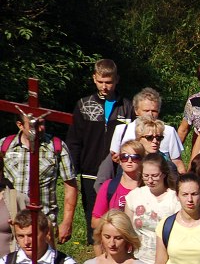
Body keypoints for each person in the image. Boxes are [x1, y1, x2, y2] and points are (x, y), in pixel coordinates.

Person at [68, 59, 135, 244]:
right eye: (101, 82)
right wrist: (73, 168)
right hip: (90, 169)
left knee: (118, 212)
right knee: (94, 213)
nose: (105, 87)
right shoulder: (83, 105)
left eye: (109, 82)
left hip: (119, 170)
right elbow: (74, 140)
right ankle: (95, 250)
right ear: (94, 79)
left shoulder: (127, 107)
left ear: (117, 80)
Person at [1, 113, 77, 244]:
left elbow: (70, 185)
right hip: (12, 223)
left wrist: (67, 222)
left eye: (42, 123)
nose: (41, 128)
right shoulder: (4, 146)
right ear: (20, 125)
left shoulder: (56, 147)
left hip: (44, 223)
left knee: (45, 263)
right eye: (35, 125)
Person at [98, 87, 186, 186]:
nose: (150, 114)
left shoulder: (169, 131)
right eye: (146, 110)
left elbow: (177, 162)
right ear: (136, 111)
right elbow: (114, 161)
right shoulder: (121, 130)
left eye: (154, 111)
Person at [125, 153, 179, 264]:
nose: (150, 180)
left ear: (164, 174)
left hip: (168, 262)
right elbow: (127, 229)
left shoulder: (174, 198)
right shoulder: (134, 196)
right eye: (146, 176)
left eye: (155, 175)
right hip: (139, 260)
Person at [93, 140, 144, 231]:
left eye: (135, 157)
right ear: (120, 161)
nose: (129, 160)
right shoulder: (109, 186)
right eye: (124, 157)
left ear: (141, 161)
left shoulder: (146, 188)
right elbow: (95, 222)